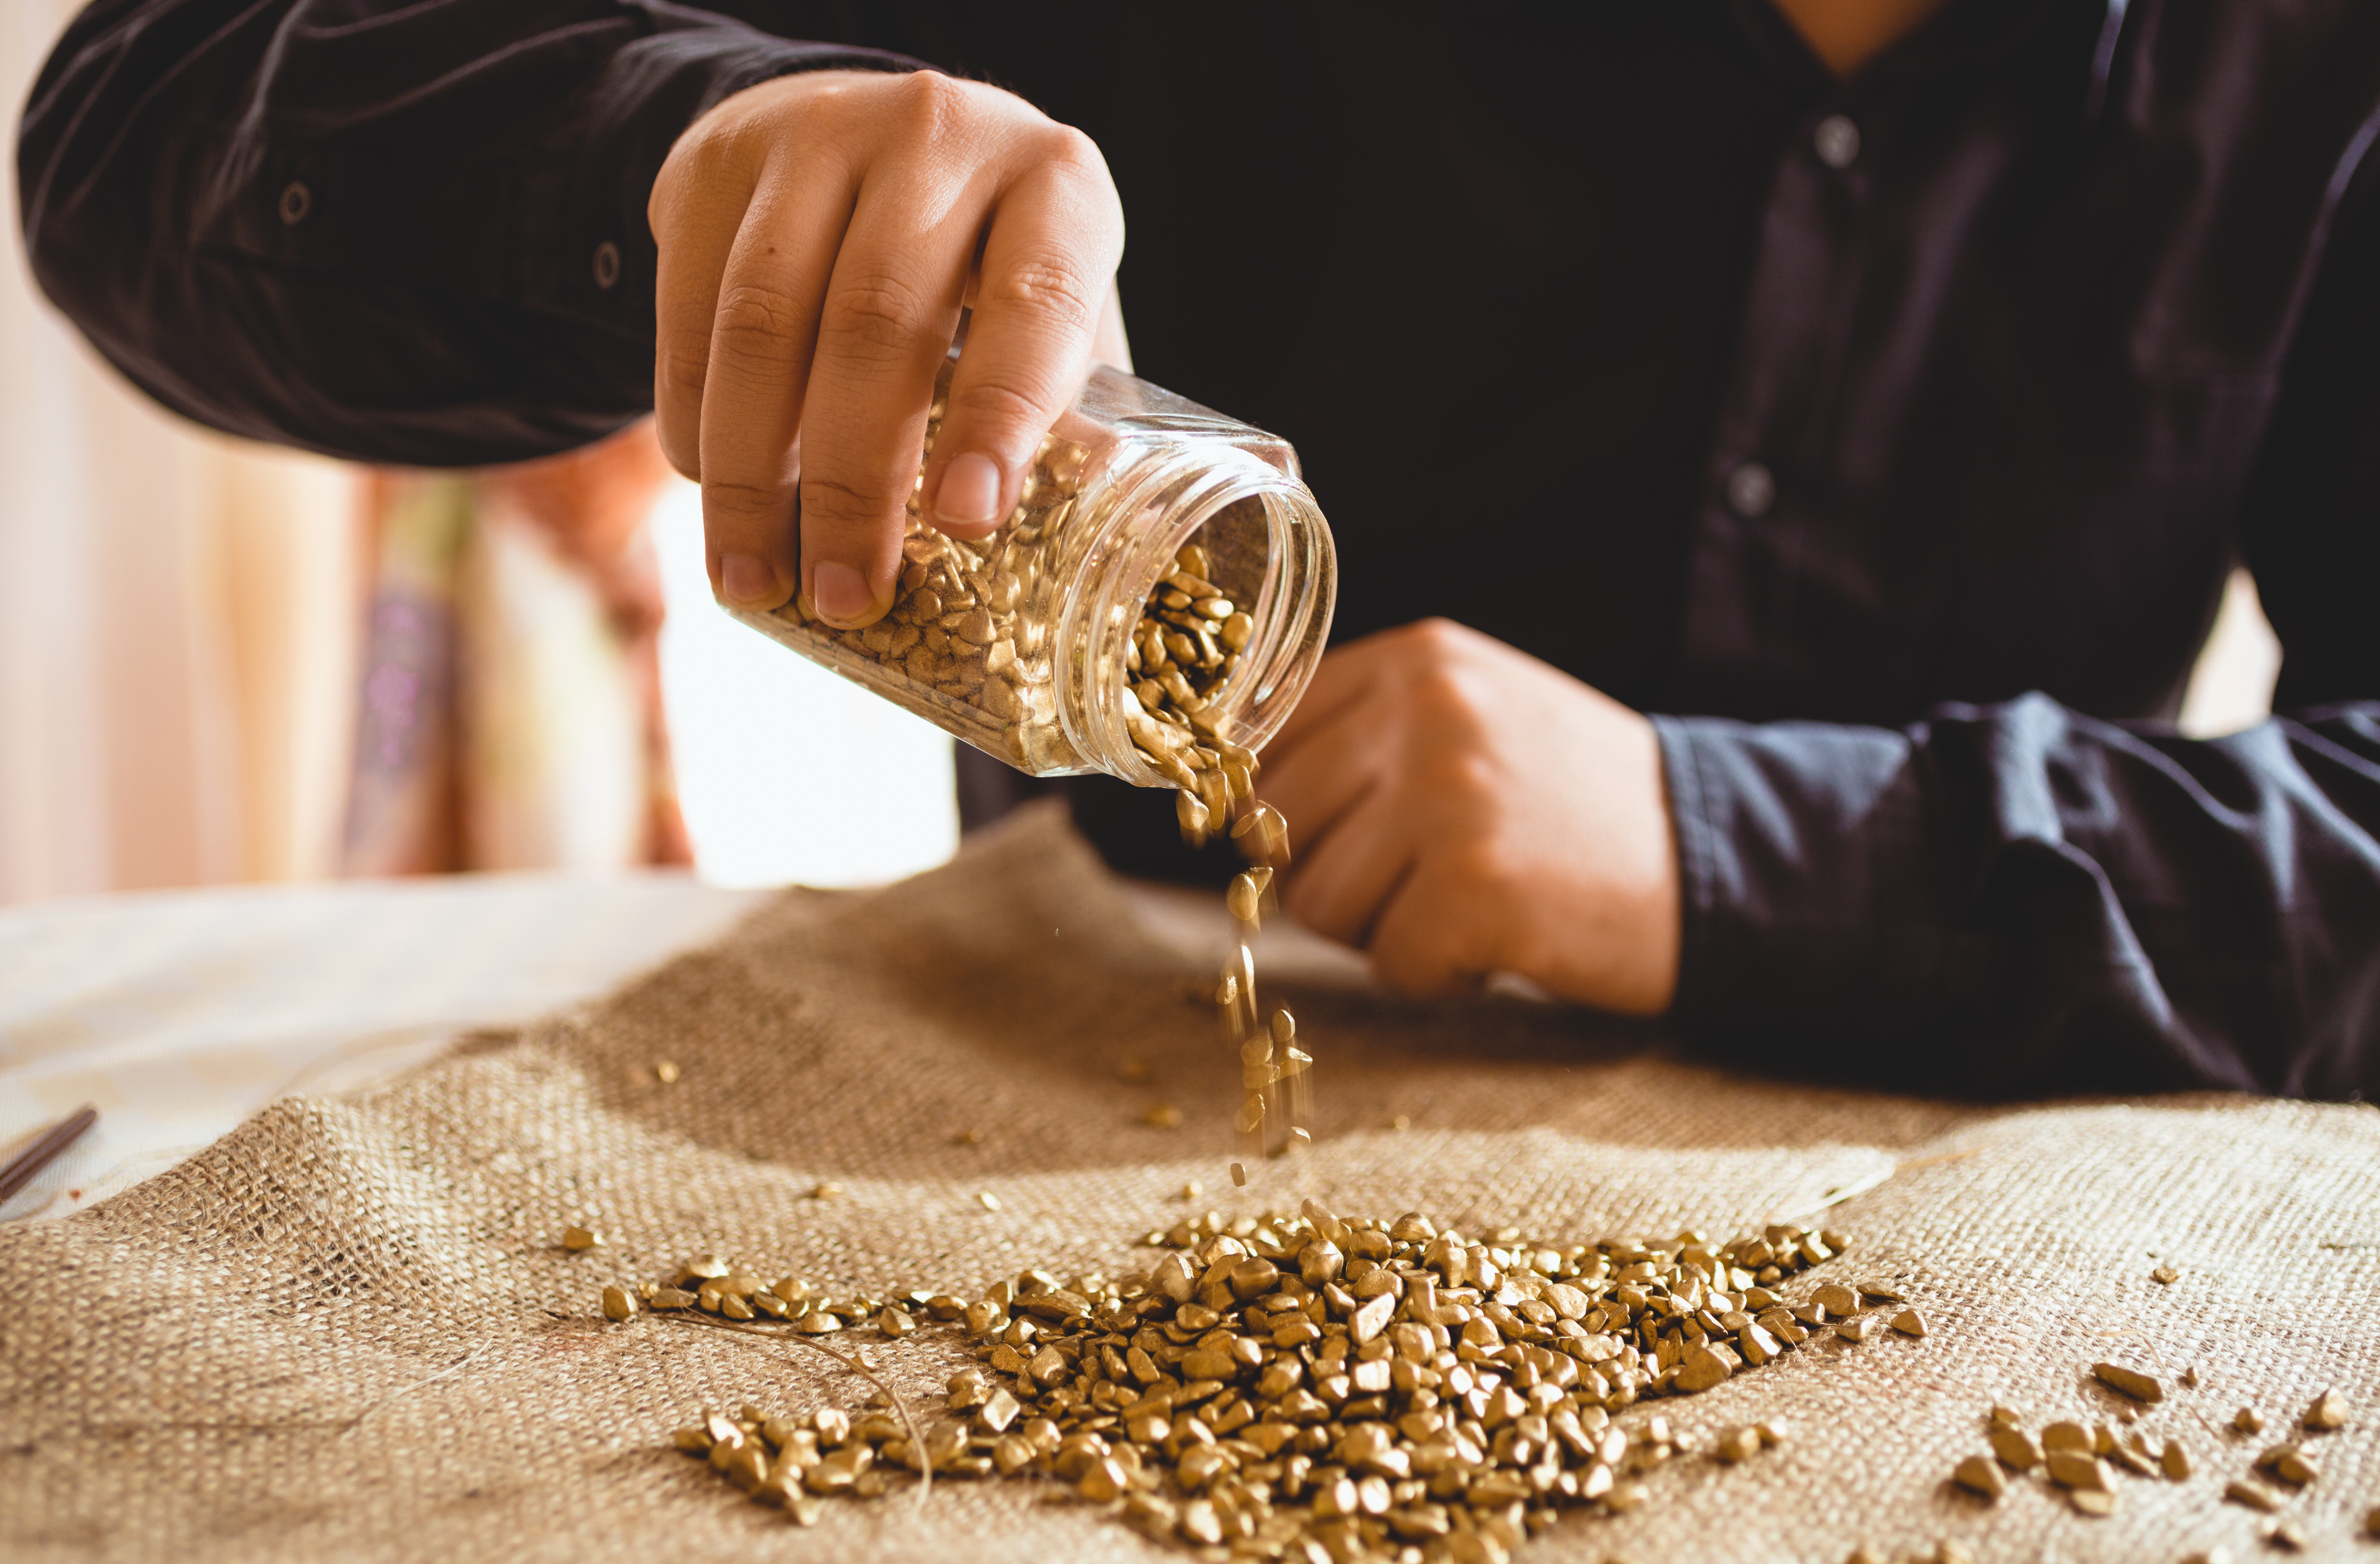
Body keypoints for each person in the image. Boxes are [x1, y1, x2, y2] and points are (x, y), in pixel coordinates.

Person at [19, 0, 2379, 1097]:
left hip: (2002, 1214)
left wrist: (1734, 844)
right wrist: (683, 149)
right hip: (1025, 1133)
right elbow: (135, 122)